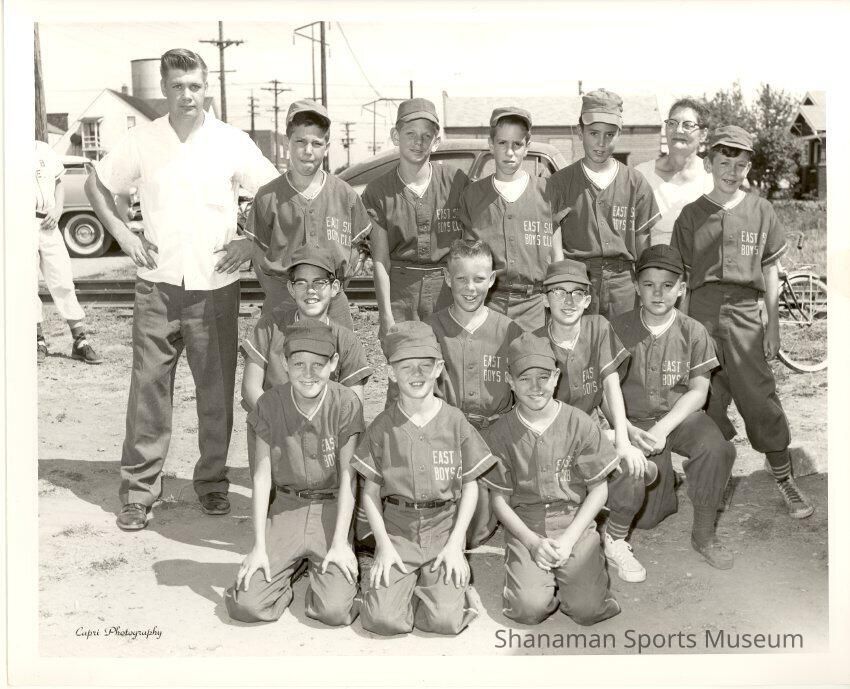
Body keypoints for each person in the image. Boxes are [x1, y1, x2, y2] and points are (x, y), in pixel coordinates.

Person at [85, 48, 279, 530]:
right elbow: (96, 184)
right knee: (148, 392)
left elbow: (276, 195)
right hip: (157, 285)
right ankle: (138, 493)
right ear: (164, 89)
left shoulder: (231, 141)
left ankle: (211, 483)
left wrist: (251, 242)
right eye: (177, 86)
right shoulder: (143, 140)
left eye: (194, 85)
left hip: (215, 286)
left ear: (207, 87)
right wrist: (123, 234)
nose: (186, 94)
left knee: (216, 394)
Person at [671, 125, 814, 520]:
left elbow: (770, 271)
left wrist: (774, 325)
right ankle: (717, 477)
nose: (731, 172)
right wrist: (682, 332)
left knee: (759, 396)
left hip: (746, 313)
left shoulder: (761, 210)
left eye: (740, 165)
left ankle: (783, 477)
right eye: (724, 163)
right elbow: (684, 282)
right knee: (706, 400)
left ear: (748, 168)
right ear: (709, 164)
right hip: (701, 313)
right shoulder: (691, 215)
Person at [351, 321, 496, 636]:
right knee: (382, 621)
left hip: (443, 529)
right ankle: (405, 590)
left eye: (425, 365)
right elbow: (370, 493)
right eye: (405, 366)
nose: (416, 373)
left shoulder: (455, 421)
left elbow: (470, 485)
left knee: (445, 622)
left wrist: (456, 544)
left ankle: (451, 595)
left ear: (439, 368)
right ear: (391, 373)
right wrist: (383, 546)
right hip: (398, 531)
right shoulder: (382, 427)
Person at [224, 319, 363, 626]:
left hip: (331, 508)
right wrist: (258, 547)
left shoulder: (346, 402)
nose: (308, 373)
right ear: (285, 364)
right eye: (298, 364)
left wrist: (340, 542)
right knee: (247, 606)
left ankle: (320, 573)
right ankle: (290, 568)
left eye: (318, 364)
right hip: (287, 507)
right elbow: (262, 478)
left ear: (333, 364)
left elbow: (349, 478)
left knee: (334, 611)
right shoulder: (269, 404)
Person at [480, 331, 622, 626]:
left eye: (543, 377)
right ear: (509, 381)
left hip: (574, 521)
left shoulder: (579, 423)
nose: (535, 387)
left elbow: (598, 490)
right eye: (524, 378)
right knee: (528, 609)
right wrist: (532, 543)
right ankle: (534, 577)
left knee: (588, 610)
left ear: (556, 377)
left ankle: (575, 579)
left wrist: (569, 541)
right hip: (528, 524)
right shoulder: (500, 433)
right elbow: (499, 501)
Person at [610, 244, 736, 569]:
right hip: (633, 423)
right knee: (648, 519)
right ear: (636, 286)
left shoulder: (694, 332)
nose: (658, 293)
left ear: (681, 289)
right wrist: (626, 430)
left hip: (678, 420)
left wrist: (663, 428)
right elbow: (605, 392)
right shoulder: (617, 329)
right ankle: (665, 481)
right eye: (649, 284)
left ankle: (704, 533)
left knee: (716, 448)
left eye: (668, 285)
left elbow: (699, 391)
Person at [534, 258, 657, 583]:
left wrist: (623, 439)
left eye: (578, 293)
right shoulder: (533, 342)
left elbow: (609, 383)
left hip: (593, 432)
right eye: (559, 292)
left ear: (588, 299)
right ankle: (576, 524)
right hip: (551, 441)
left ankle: (615, 538)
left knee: (634, 466)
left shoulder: (598, 327)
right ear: (545, 298)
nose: (569, 301)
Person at [426, 239, 523, 547]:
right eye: (461, 279)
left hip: (495, 434)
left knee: (479, 522)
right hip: (448, 433)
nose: (470, 288)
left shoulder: (509, 330)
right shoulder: (431, 328)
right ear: (447, 278)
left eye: (479, 279)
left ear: (492, 279)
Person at [240, 245, 372, 471]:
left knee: (358, 433)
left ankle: (335, 481)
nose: (310, 290)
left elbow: (354, 403)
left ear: (335, 288)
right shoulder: (270, 326)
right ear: (291, 288)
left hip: (325, 434)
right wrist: (287, 422)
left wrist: (319, 426)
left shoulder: (346, 339)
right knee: (258, 418)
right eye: (301, 283)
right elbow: (250, 388)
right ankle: (271, 482)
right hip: (278, 429)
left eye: (319, 282)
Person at [246, 99, 371, 330]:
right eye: (300, 141)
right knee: (279, 352)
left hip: (332, 300)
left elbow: (356, 248)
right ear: (288, 142)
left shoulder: (345, 194)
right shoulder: (267, 196)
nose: (308, 151)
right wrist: (279, 293)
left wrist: (335, 286)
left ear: (327, 146)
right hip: (283, 298)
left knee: (337, 351)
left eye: (316, 143)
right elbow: (259, 253)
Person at [548, 89, 660, 320]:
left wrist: (645, 287)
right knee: (579, 341)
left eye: (609, 134)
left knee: (624, 340)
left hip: (624, 283)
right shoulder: (559, 183)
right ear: (579, 131)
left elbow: (643, 247)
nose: (601, 142)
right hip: (577, 281)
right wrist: (562, 283)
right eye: (593, 133)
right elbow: (554, 243)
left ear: (619, 133)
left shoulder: (635, 182)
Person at [364, 98, 468, 337]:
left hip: (447, 290)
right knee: (404, 356)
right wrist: (386, 315)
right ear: (395, 136)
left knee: (448, 357)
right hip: (401, 293)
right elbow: (380, 261)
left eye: (426, 135)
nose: (418, 142)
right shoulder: (379, 191)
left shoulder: (456, 182)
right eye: (410, 133)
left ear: (436, 142)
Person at [460, 106, 564, 331]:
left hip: (534, 304)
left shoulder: (547, 192)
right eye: (502, 143)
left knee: (534, 354)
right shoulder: (473, 195)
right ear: (491, 145)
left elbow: (557, 256)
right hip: (488, 303)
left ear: (527, 147)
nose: (509, 152)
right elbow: (467, 260)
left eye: (517, 144)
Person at [35, 140, 101, 364]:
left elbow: (58, 183)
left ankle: (80, 341)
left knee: (62, 279)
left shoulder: (43, 149)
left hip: (49, 222)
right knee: (26, 285)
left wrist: (58, 209)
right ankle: (37, 340)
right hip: (21, 222)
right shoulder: (7, 149)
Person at [634, 98, 713, 246]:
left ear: (703, 134)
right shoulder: (641, 175)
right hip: (653, 258)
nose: (678, 130)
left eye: (687, 125)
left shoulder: (713, 177)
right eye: (672, 123)